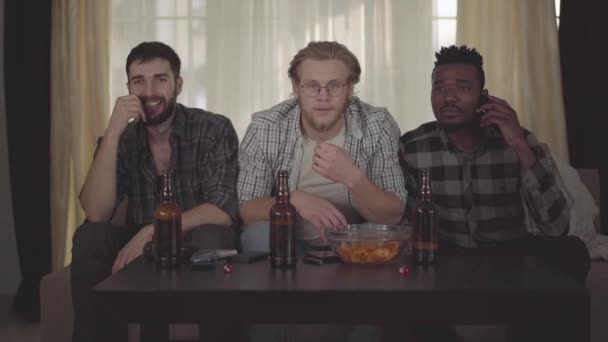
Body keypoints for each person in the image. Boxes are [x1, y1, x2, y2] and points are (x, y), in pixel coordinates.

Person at [399, 45, 590, 342]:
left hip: (511, 254)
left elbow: (557, 226)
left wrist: (519, 145)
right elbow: (405, 225)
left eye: (462, 87)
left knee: (570, 251)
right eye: (439, 88)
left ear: (483, 96)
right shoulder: (413, 146)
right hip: (446, 256)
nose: (448, 97)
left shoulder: (519, 139)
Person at [237, 41, 406, 342]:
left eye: (334, 86)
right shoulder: (266, 126)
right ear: (296, 87)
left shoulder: (377, 124)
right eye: (312, 86)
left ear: (350, 89)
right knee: (258, 235)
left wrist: (351, 176)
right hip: (291, 243)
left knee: (380, 238)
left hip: (353, 246)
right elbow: (247, 210)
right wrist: (296, 200)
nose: (323, 97)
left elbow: (392, 215)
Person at [71, 41, 240, 342]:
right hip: (140, 239)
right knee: (90, 236)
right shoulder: (120, 138)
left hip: (196, 237)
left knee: (212, 237)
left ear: (178, 84)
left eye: (160, 79)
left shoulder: (213, 128)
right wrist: (111, 134)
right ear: (128, 88)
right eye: (139, 81)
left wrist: (153, 230)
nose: (149, 91)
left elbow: (222, 210)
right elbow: (96, 212)